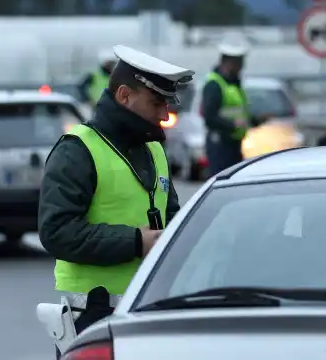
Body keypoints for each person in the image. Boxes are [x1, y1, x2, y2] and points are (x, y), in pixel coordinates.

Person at [39, 45, 191, 355]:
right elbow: (57, 232)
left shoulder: (155, 150)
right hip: (93, 321)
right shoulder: (77, 150)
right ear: (124, 96)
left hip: (149, 312)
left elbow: (173, 220)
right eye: (156, 103)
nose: (165, 115)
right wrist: (136, 241)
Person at [201, 41, 249, 176]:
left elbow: (239, 112)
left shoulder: (234, 84)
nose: (241, 67)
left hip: (234, 143)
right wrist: (232, 124)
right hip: (220, 144)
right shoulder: (215, 84)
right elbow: (209, 117)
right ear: (227, 62)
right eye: (238, 62)